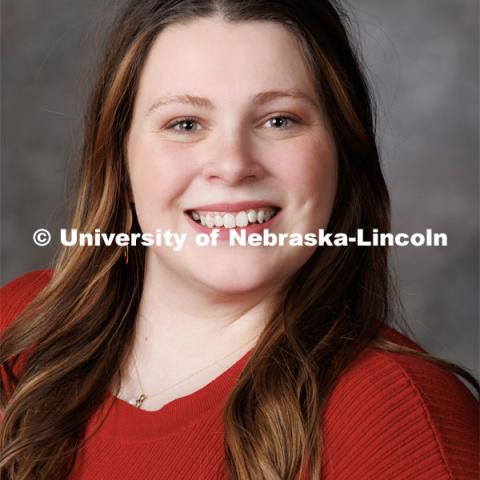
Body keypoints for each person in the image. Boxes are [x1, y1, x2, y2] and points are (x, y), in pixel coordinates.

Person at [0, 1, 478, 479]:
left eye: (279, 120)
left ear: (342, 156)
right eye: (185, 124)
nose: (232, 165)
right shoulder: (21, 329)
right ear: (121, 163)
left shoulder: (401, 423)